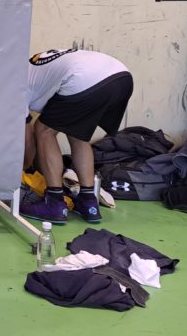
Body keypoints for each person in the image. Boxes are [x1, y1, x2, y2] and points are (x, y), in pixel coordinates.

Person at [23, 48, 134, 224]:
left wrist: (23, 170)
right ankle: (89, 202)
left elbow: (28, 142)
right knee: (78, 135)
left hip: (85, 79)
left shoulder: (14, 87)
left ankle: (54, 203)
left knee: (43, 131)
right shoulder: (31, 70)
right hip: (121, 77)